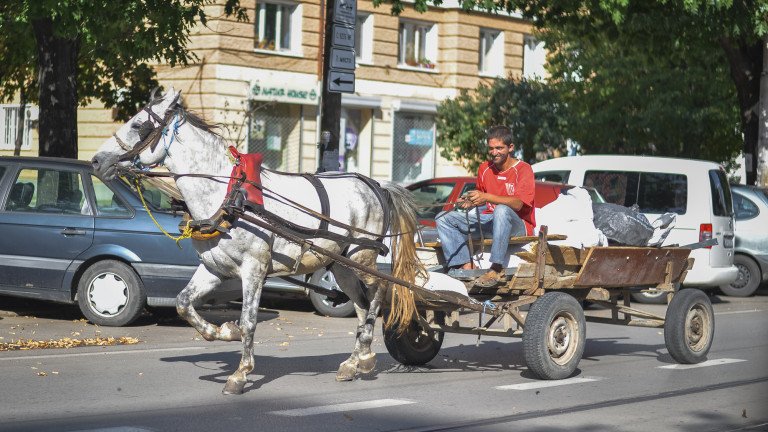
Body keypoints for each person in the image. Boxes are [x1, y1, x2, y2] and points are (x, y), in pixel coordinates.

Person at [436, 125, 536, 287]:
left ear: (510, 147)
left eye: (499, 148)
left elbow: (518, 204)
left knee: (502, 210)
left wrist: (486, 197)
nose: (494, 152)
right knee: (443, 218)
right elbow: (481, 198)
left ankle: (496, 268)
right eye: (491, 148)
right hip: (490, 221)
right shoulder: (484, 168)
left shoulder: (524, 169)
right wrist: (470, 201)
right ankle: (465, 265)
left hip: (518, 224)